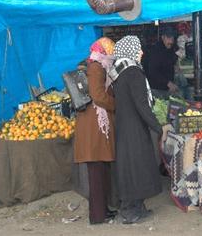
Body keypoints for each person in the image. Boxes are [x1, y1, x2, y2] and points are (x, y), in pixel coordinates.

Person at [109, 35, 163, 224]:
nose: (141, 52)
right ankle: (129, 211)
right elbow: (142, 105)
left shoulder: (120, 71)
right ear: (130, 50)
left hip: (126, 126)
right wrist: (157, 126)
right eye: (138, 48)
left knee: (134, 168)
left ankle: (138, 208)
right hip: (134, 128)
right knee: (134, 169)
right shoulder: (133, 72)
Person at [74, 37, 117, 225]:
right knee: (96, 173)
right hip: (94, 127)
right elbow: (98, 96)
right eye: (110, 51)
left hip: (97, 126)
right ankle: (98, 216)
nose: (112, 55)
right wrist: (117, 105)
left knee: (100, 171)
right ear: (103, 52)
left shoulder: (98, 66)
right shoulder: (96, 68)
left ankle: (103, 211)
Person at [145, 25, 179, 98]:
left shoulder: (170, 49)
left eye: (172, 38)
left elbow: (172, 62)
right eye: (169, 38)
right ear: (163, 37)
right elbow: (153, 71)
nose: (171, 41)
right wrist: (168, 83)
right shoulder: (156, 51)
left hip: (167, 88)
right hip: (157, 89)